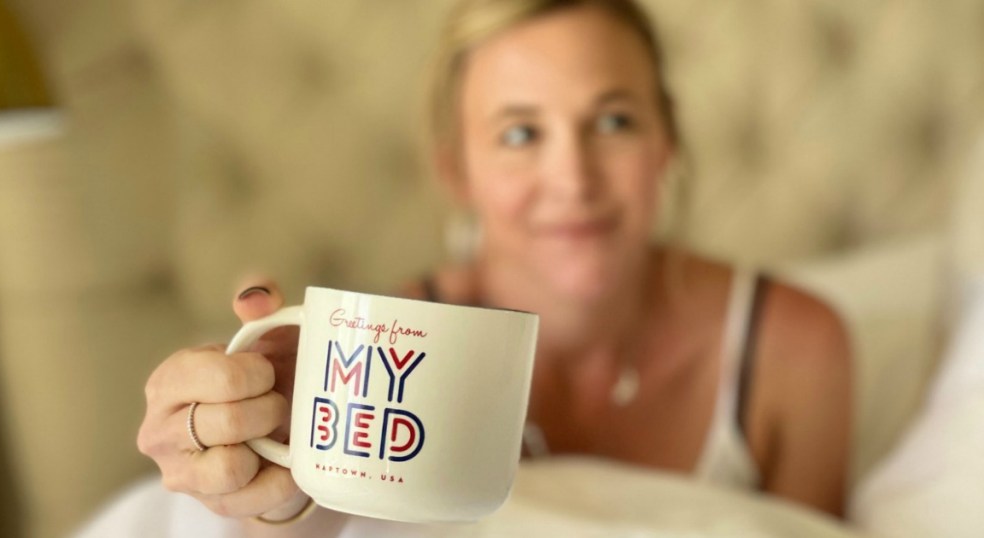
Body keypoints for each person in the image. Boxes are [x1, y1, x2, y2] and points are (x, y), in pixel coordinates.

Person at [134, 0, 852, 535]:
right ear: (457, 170)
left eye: (613, 121)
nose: (573, 178)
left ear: (666, 138)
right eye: (519, 133)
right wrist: (257, 505)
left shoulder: (795, 351)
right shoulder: (367, 365)